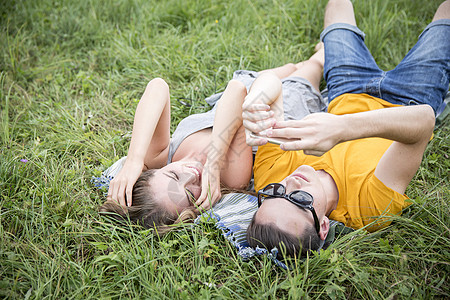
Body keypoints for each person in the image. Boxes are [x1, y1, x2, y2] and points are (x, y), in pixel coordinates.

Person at [244, 0, 450, 258]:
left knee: (337, 5)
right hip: (410, 98)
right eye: (299, 200)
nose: (290, 182)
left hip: (346, 88)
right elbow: (423, 121)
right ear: (323, 226)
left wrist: (256, 99)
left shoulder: (270, 177)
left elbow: (273, 85)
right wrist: (341, 128)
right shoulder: (367, 209)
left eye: (276, 194)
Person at [99, 46, 327, 234]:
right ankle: (321, 53)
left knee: (289, 67)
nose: (191, 175)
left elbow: (158, 87)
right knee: (312, 67)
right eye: (190, 194)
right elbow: (237, 93)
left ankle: (304, 62)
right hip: (282, 104)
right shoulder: (230, 176)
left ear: (156, 170)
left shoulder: (159, 157)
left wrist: (134, 160)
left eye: (174, 175)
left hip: (252, 87)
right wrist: (214, 164)